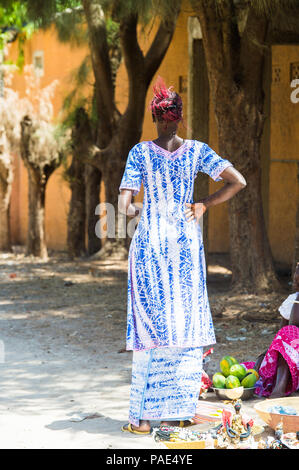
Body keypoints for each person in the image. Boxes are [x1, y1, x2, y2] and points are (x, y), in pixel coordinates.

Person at [118, 77, 246, 434]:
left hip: (148, 248)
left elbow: (124, 205)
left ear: (156, 118)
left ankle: (142, 420)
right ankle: (176, 415)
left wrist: (146, 210)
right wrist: (203, 203)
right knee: (183, 327)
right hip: (185, 248)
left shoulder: (139, 153)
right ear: (180, 117)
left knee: (150, 328)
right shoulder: (198, 151)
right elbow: (238, 181)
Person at [248, 264, 299, 398]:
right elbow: (281, 335)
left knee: (290, 332)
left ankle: (280, 388)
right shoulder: (292, 300)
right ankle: (279, 386)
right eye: (295, 280)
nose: (295, 284)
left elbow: (290, 330)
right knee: (287, 333)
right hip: (291, 357)